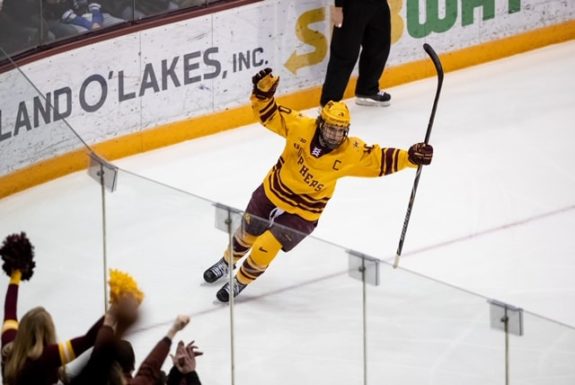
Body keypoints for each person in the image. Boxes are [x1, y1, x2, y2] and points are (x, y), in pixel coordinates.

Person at [203, 68, 433, 302]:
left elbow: (379, 159)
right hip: (274, 190)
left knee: (265, 245)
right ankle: (226, 262)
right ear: (321, 123)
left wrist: (410, 158)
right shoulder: (300, 126)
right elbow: (268, 115)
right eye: (331, 127)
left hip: (305, 212)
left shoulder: (350, 151)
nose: (335, 135)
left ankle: (240, 281)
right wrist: (262, 95)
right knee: (247, 232)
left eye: (340, 130)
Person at [1, 232, 105, 385]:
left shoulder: (8, 349)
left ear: (23, 328)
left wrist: (15, 275)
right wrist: (116, 309)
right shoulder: (48, 357)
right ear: (48, 330)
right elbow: (88, 339)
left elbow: (9, 311)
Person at [319, 0, 392, 107]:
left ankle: (367, 90)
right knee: (345, 52)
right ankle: (329, 101)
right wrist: (339, 7)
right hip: (352, 5)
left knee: (378, 46)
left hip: (379, 4)